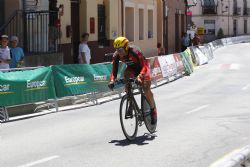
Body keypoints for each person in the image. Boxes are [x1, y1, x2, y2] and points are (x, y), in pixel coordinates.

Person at [108, 36, 157, 124]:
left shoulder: (134, 52)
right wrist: (112, 80)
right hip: (131, 69)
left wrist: (140, 76)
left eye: (120, 50)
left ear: (126, 47)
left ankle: (153, 110)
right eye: (116, 50)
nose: (118, 52)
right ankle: (130, 102)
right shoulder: (116, 55)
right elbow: (114, 70)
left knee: (146, 90)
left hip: (143, 69)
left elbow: (144, 65)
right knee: (126, 75)